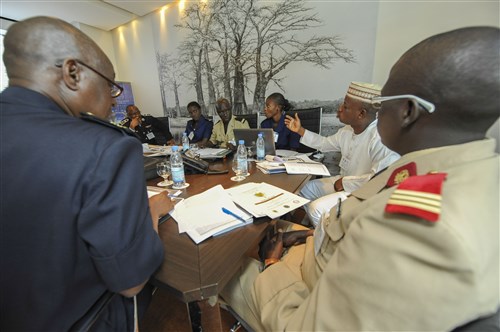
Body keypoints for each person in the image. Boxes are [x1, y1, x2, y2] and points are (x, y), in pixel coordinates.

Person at [221, 26, 499, 331]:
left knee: (222, 265)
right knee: (269, 225)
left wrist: (272, 265)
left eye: (385, 101)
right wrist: (310, 236)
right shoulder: (451, 169)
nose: (378, 112)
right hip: (319, 256)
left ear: (407, 110)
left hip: (305, 296)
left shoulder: (427, 228)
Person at [0, 16, 174, 330]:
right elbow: (131, 282)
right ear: (72, 73)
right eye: (110, 85)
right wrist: (150, 213)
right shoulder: (104, 147)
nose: (113, 98)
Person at [285, 82, 400, 227]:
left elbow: (381, 179)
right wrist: (300, 130)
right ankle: (316, 230)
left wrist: (346, 182)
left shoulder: (381, 138)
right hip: (342, 182)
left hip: (363, 193)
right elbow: (324, 143)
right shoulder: (347, 131)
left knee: (316, 209)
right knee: (304, 190)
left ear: (361, 113)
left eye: (345, 106)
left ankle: (331, 243)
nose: (339, 109)